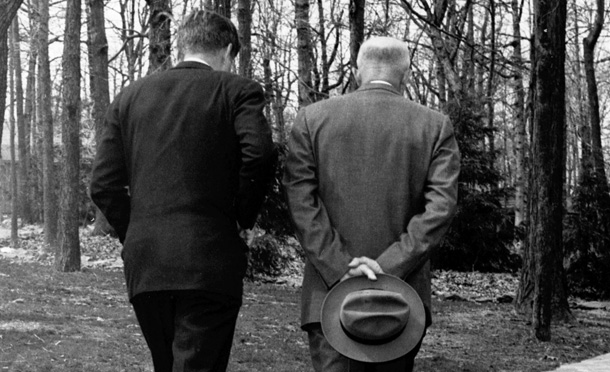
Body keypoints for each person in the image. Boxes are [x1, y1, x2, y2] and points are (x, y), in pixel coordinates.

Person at [90, 10, 275, 372]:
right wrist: (239, 217)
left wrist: (137, 230)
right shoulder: (236, 90)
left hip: (147, 265)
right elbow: (260, 154)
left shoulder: (130, 96)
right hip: (209, 259)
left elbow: (102, 183)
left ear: (183, 45)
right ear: (226, 51)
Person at [282, 36, 460, 372]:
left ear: (356, 71)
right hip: (400, 296)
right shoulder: (434, 126)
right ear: (406, 75)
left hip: (329, 296)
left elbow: (300, 201)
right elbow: (440, 208)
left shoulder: (312, 119)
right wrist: (388, 266)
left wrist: (341, 266)